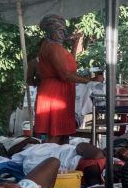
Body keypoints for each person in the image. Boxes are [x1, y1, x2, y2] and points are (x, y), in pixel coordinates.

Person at [34, 15, 93, 144]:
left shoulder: (55, 46)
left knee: (60, 135)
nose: (63, 34)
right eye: (59, 31)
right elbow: (65, 75)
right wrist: (90, 82)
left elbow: (70, 65)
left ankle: (56, 161)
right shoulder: (52, 47)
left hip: (60, 93)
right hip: (55, 94)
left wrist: (74, 45)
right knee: (54, 135)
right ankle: (50, 160)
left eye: (64, 31)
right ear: (50, 31)